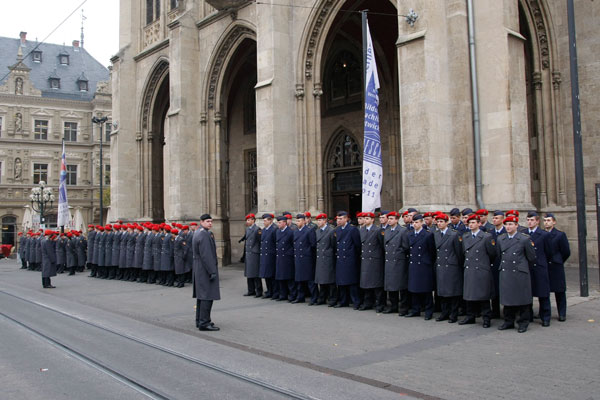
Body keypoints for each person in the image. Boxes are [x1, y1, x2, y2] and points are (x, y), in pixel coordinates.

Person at [497, 216, 536, 333]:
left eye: (511, 224)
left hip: (519, 272)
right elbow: (499, 255)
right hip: (506, 271)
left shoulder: (524, 239)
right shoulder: (501, 239)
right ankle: (508, 321)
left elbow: (531, 257)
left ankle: (523, 322)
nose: (508, 227)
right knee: (507, 298)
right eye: (506, 224)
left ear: (516, 225)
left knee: (522, 298)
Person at [460, 214, 497, 328]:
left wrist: (483, 264)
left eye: (473, 223)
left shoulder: (486, 237)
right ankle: (470, 316)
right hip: (470, 267)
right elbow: (463, 253)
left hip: (481, 268)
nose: (471, 225)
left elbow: (492, 253)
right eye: (469, 223)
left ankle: (486, 318)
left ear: (479, 224)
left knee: (483, 295)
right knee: (469, 294)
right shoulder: (465, 236)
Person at [433, 213, 464, 323]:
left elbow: (459, 252)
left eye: (442, 221)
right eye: (438, 222)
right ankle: (444, 312)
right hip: (441, 265)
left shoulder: (453, 234)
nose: (439, 224)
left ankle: (453, 314)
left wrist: (456, 264)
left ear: (447, 223)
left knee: (453, 292)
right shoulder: (436, 234)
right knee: (442, 292)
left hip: (451, 266)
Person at [192, 214, 220, 331]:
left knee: (201, 296)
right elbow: (206, 255)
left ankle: (200, 320)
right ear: (201, 222)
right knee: (207, 296)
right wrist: (212, 271)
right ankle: (204, 322)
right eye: (208, 221)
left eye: (211, 221)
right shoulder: (203, 234)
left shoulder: (198, 232)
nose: (210, 223)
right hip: (205, 269)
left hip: (199, 268)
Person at [406, 214, 436, 319]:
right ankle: (415, 309)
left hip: (424, 264)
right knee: (414, 289)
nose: (414, 224)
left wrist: (427, 261)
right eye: (413, 222)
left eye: (417, 222)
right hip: (413, 263)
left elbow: (432, 251)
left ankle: (428, 311)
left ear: (422, 223)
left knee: (426, 289)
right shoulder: (410, 234)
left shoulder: (428, 235)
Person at [526, 211, 553, 327]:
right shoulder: (523, 234)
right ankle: (529, 316)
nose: (530, 222)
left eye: (532, 220)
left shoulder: (544, 235)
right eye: (528, 220)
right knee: (528, 293)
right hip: (528, 267)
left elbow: (549, 251)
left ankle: (545, 317)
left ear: (537, 221)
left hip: (540, 266)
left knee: (543, 294)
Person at [543, 213, 571, 321]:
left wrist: (559, 260)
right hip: (545, 266)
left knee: (559, 291)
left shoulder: (560, 235)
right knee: (545, 291)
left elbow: (566, 251)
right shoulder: (542, 234)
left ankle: (562, 313)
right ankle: (546, 313)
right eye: (545, 220)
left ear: (554, 222)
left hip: (556, 266)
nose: (546, 222)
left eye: (549, 220)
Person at [382, 211, 410, 315]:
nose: (389, 220)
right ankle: (392, 305)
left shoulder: (402, 231)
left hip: (399, 261)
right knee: (390, 285)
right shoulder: (387, 230)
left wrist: (399, 254)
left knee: (401, 286)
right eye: (388, 219)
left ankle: (403, 307)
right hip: (389, 260)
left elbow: (406, 246)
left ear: (397, 220)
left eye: (392, 219)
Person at [334, 211, 361, 309]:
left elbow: (357, 245)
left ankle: (356, 301)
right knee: (341, 282)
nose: (339, 221)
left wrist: (353, 256)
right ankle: (343, 301)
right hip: (340, 258)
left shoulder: (352, 229)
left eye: (341, 219)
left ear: (346, 219)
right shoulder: (337, 230)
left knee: (352, 282)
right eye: (338, 219)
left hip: (350, 259)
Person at [359, 212, 385, 312]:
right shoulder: (362, 230)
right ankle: (367, 302)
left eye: (367, 218)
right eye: (364, 218)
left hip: (375, 260)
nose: (365, 220)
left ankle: (379, 304)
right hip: (365, 259)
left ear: (372, 220)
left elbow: (382, 245)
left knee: (376, 284)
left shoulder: (378, 230)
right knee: (366, 283)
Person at [293, 214, 318, 304]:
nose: (297, 223)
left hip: (307, 258)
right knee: (299, 279)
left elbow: (313, 245)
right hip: (298, 257)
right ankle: (300, 297)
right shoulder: (295, 231)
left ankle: (314, 298)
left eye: (299, 221)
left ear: (304, 221)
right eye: (296, 221)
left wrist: (309, 255)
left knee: (310, 280)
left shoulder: (309, 231)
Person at [314, 213, 337, 306]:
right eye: (317, 220)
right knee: (321, 279)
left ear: (325, 220)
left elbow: (334, 245)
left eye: (320, 220)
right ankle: (322, 297)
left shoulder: (331, 231)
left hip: (328, 257)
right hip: (320, 257)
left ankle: (333, 298)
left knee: (330, 280)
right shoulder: (317, 231)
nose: (318, 222)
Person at [275, 215, 296, 301]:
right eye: (278, 222)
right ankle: (282, 295)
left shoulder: (290, 232)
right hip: (280, 257)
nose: (278, 224)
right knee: (280, 277)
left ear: (284, 222)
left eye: (280, 222)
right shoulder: (278, 232)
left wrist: (289, 254)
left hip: (287, 257)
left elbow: (293, 245)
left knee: (289, 278)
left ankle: (292, 295)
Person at [243, 214, 263, 297]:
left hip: (254, 253)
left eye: (249, 220)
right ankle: (251, 290)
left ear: (253, 220)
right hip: (248, 253)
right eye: (247, 220)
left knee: (255, 273)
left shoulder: (257, 229)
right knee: (249, 273)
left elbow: (260, 241)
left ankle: (259, 291)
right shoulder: (247, 229)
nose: (247, 222)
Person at [259, 213, 278, 299]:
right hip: (264, 255)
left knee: (272, 275)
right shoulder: (264, 230)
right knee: (266, 275)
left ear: (270, 220)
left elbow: (275, 243)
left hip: (271, 255)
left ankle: (274, 292)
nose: (264, 222)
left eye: (265, 220)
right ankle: (269, 291)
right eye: (263, 220)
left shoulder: (274, 230)